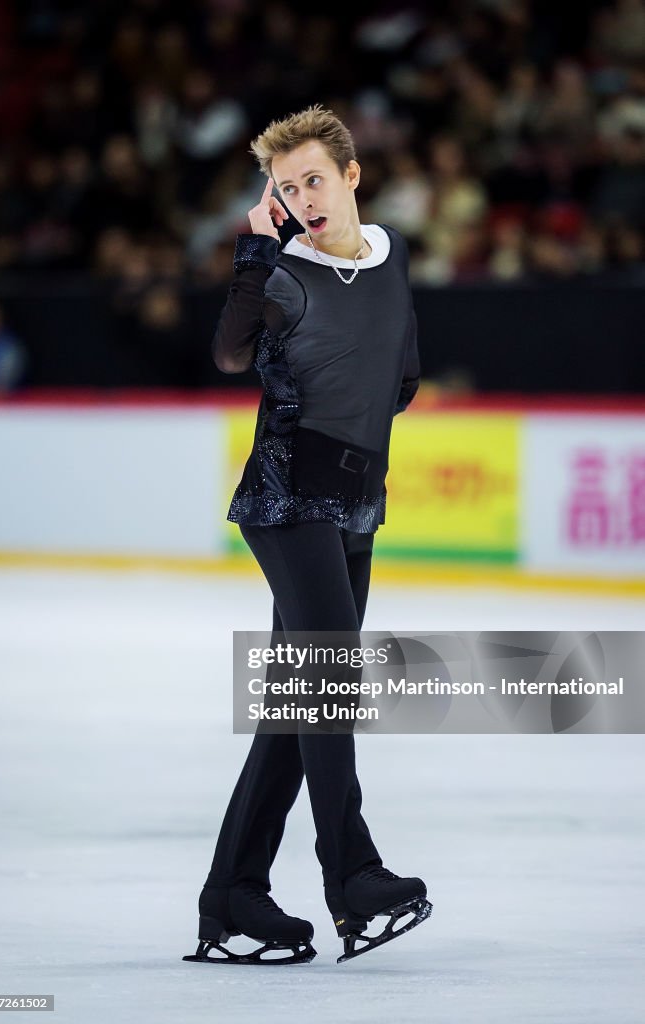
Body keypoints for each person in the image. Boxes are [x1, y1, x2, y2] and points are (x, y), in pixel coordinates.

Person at [184, 105, 430, 967]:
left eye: (312, 180)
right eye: (286, 188)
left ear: (352, 175)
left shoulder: (392, 257)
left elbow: (401, 371)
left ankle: (233, 897)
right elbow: (228, 352)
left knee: (295, 711)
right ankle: (351, 875)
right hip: (288, 501)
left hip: (357, 503)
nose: (302, 198)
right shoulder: (282, 271)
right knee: (327, 687)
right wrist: (254, 245)